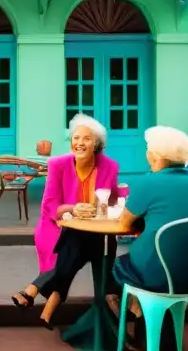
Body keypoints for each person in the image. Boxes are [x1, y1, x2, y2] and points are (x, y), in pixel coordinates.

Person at [10, 113, 120, 329]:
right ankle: (106, 299)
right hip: (56, 228)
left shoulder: (109, 167)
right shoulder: (58, 164)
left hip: (91, 230)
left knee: (88, 243)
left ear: (97, 144)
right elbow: (49, 204)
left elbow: (113, 197)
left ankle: (34, 291)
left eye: (86, 139)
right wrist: (72, 208)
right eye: (75, 138)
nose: (79, 143)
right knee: (84, 243)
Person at [104, 126, 188, 338]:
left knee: (119, 266)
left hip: (157, 274)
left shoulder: (149, 181)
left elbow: (123, 224)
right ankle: (144, 317)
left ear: (153, 155)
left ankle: (133, 317)